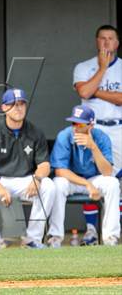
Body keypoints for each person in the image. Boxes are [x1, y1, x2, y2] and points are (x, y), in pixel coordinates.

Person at [0, 88, 55, 250]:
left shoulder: (35, 132)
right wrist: (0, 188)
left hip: (26, 180)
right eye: (13, 104)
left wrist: (37, 179)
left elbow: (44, 165)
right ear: (3, 108)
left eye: (21, 104)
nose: (18, 108)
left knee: (49, 186)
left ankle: (32, 240)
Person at [73, 24, 122, 244]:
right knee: (91, 175)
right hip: (92, 128)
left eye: (110, 38)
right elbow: (83, 91)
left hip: (118, 128)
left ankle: (112, 230)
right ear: (96, 41)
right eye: (102, 38)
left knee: (115, 179)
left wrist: (96, 91)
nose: (106, 42)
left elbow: (121, 99)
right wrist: (102, 69)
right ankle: (92, 230)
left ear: (117, 43)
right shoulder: (84, 67)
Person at [48, 105, 120, 247]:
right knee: (57, 183)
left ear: (91, 125)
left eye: (80, 123)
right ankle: (55, 237)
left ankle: (110, 237)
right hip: (72, 180)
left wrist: (93, 147)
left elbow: (107, 172)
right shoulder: (65, 135)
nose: (75, 127)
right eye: (73, 122)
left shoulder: (101, 138)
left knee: (112, 183)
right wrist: (87, 184)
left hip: (95, 179)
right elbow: (60, 171)